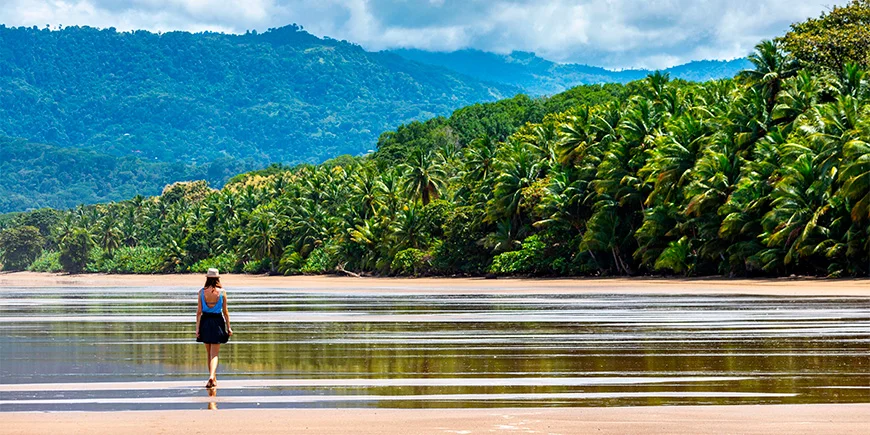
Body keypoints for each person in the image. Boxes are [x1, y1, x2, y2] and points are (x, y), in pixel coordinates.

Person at [195, 268, 232, 388]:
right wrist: (229, 327)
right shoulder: (222, 292)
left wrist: (197, 329)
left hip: (205, 322)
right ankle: (212, 376)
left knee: (208, 353)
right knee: (214, 354)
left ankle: (213, 378)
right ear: (217, 279)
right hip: (217, 321)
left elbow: (199, 312)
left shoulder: (201, 292)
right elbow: (225, 312)